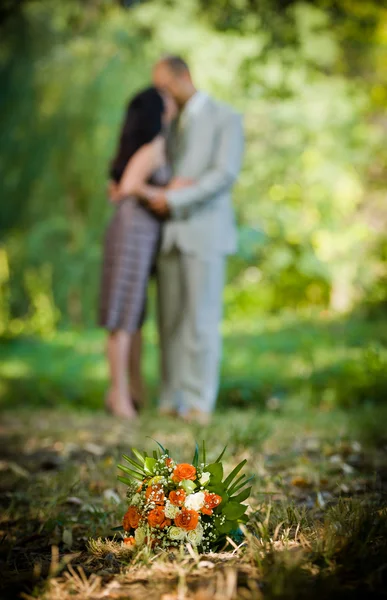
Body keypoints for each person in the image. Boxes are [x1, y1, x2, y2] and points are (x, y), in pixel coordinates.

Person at [142, 56, 244, 424]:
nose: (161, 93)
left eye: (165, 85)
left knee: (201, 321)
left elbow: (223, 175)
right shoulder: (168, 122)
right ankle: (170, 399)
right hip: (168, 235)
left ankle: (200, 402)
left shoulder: (226, 117)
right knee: (168, 323)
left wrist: (174, 198)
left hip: (205, 232)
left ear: (184, 76)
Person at [99, 86, 177, 419]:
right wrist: (161, 195)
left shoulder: (139, 147)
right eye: (168, 101)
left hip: (134, 229)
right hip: (135, 231)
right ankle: (119, 396)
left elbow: (117, 188)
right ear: (158, 112)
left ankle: (132, 391)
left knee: (133, 313)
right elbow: (128, 187)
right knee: (125, 313)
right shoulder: (155, 145)